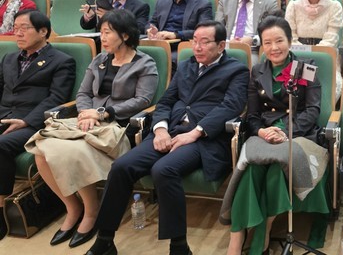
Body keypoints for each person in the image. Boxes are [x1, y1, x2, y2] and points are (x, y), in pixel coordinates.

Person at [84, 20, 249, 255]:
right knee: (121, 166)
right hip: (169, 132)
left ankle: (179, 247)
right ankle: (105, 239)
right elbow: (166, 102)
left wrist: (194, 133)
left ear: (221, 45)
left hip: (204, 139)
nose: (198, 47)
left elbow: (230, 107)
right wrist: (160, 129)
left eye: (205, 42)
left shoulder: (236, 70)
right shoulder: (186, 66)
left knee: (164, 169)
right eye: (195, 42)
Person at [26, 9, 158, 249]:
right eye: (102, 32)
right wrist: (86, 114)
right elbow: (83, 94)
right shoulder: (100, 60)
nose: (103, 38)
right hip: (87, 121)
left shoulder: (144, 63)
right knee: (40, 151)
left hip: (117, 125)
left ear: (125, 35)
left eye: (108, 33)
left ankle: (91, 210)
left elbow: (143, 100)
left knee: (72, 153)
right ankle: (72, 207)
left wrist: (102, 113)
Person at [223, 15, 327, 255]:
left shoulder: (306, 67)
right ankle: (238, 238)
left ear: (290, 41)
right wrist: (260, 130)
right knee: (252, 167)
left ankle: (261, 234)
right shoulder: (258, 70)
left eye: (279, 40)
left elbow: (313, 110)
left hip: (298, 133)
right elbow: (253, 114)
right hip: (265, 133)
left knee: (270, 168)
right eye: (267, 42)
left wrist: (286, 131)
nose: (274, 47)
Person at [0, 10, 75, 241]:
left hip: (32, 122)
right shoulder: (9, 58)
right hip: (4, 116)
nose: (18, 33)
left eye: (24, 28)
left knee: (1, 145)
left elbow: (56, 98)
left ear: (43, 31)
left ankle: (1, 209)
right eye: (16, 27)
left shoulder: (62, 61)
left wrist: (26, 120)